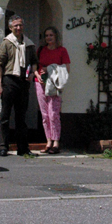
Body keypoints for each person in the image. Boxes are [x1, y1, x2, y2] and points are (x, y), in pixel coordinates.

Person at [0, 15, 37, 157]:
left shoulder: (29, 44)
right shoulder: (6, 43)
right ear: (10, 28)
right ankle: (3, 147)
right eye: (15, 26)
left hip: (23, 83)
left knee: (21, 117)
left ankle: (22, 148)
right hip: (9, 81)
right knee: (5, 116)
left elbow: (34, 62)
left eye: (20, 25)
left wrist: (32, 73)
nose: (18, 28)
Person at [35, 26, 70, 154]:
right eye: (46, 35)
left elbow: (66, 69)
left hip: (54, 84)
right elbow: (35, 66)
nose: (48, 38)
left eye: (51, 35)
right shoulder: (41, 50)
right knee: (44, 114)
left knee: (53, 113)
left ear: (56, 36)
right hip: (40, 83)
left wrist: (50, 68)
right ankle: (48, 141)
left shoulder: (62, 51)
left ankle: (56, 142)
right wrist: (38, 75)